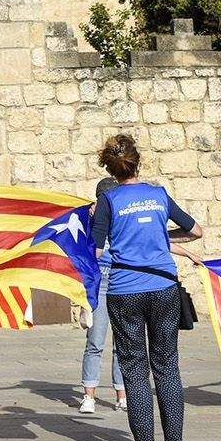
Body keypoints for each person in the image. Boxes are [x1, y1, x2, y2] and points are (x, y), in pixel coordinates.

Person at [91, 133, 204, 441]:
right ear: (138, 162)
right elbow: (196, 231)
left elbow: (96, 250)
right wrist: (157, 237)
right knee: (167, 365)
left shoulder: (109, 202)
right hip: (164, 286)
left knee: (134, 368)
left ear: (112, 170)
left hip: (126, 291)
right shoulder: (158, 195)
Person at [78, 176, 126, 414]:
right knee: (95, 342)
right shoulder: (88, 222)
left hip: (123, 283)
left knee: (123, 344)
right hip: (100, 286)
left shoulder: (123, 221)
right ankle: (89, 396)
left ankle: (122, 394)